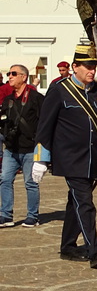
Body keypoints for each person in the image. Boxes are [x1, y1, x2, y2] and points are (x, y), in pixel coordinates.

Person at [32, 44, 97, 268]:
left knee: (75, 202)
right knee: (85, 203)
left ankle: (68, 246)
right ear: (75, 67)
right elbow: (45, 126)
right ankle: (95, 250)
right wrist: (40, 158)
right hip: (70, 158)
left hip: (92, 158)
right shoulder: (59, 90)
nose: (92, 71)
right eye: (87, 67)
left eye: (94, 67)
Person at [0, 64, 44, 228]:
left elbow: (44, 122)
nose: (10, 77)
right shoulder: (8, 99)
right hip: (11, 148)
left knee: (30, 183)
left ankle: (32, 216)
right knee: (5, 180)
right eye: (8, 74)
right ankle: (6, 215)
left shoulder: (36, 98)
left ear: (24, 77)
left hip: (30, 148)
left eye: (13, 73)